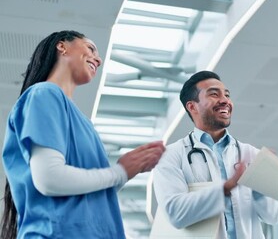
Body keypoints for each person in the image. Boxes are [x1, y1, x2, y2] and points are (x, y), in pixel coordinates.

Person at [0, 30, 165, 238]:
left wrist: (126, 174)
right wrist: (119, 172)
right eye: (90, 48)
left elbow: (82, 198)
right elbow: (49, 178)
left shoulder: (83, 123)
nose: (99, 58)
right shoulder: (44, 94)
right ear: (62, 46)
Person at [153, 71, 278, 238]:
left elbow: (274, 216)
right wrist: (225, 188)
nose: (225, 100)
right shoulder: (171, 155)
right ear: (192, 106)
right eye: (214, 94)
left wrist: (258, 186)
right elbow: (176, 214)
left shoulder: (252, 154)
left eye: (227, 95)